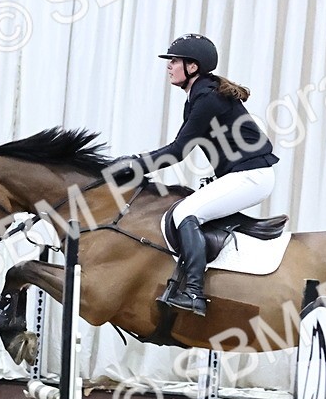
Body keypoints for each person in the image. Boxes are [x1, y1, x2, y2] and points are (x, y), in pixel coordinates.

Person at [111, 34, 279, 316]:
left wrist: (136, 164)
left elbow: (178, 151)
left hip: (251, 176)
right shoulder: (200, 96)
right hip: (242, 174)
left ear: (193, 66)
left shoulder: (207, 99)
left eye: (174, 61)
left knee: (184, 214)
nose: (169, 66)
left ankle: (194, 293)